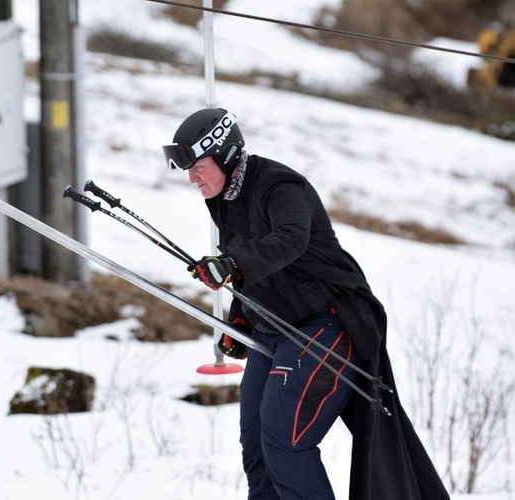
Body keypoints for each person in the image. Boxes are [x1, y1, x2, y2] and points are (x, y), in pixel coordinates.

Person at [162, 108, 449, 500]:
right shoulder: (224, 197)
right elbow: (253, 265)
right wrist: (242, 321)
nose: (191, 176)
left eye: (198, 165)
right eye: (187, 168)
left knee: (285, 440)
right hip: (274, 331)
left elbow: (289, 241)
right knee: (256, 442)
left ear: (226, 155)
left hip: (325, 325)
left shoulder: (280, 187)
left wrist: (230, 264)